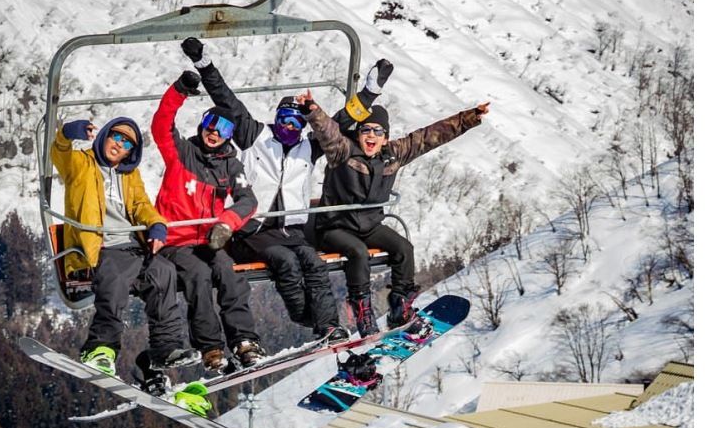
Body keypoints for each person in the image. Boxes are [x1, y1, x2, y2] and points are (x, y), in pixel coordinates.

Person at [179, 39, 393, 344]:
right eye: (283, 120)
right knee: (286, 262)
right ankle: (307, 316)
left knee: (314, 263)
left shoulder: (309, 146)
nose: (288, 128)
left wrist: (370, 91)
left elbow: (342, 121)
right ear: (275, 119)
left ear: (302, 125)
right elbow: (226, 99)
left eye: (295, 123)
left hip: (292, 229)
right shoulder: (256, 136)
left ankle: (329, 325)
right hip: (253, 230)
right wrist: (203, 63)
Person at [297, 90, 490, 336]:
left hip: (369, 225)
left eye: (378, 132)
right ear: (358, 134)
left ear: (385, 138)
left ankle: (400, 304)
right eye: (366, 130)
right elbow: (328, 131)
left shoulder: (394, 155)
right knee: (357, 252)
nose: (371, 136)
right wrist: (312, 110)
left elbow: (430, 136)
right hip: (334, 226)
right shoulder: (343, 151)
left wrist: (469, 117)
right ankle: (361, 308)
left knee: (404, 248)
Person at [51, 117, 199, 386]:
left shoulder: (130, 175)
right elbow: (59, 154)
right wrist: (66, 134)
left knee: (163, 271)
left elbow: (141, 204)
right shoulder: (80, 164)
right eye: (116, 137)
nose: (119, 145)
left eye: (127, 143)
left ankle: (165, 347)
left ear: (132, 151)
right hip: (99, 245)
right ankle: (100, 347)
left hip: (132, 245)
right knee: (115, 277)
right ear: (105, 136)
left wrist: (155, 224)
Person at [151, 67, 266, 372]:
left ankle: (244, 340)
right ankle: (210, 346)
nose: (214, 133)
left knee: (228, 271)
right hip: (176, 240)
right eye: (210, 124)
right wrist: (179, 90)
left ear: (231, 136)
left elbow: (247, 200)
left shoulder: (231, 166)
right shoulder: (182, 153)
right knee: (198, 276)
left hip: (208, 238)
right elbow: (161, 125)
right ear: (202, 125)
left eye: (224, 129)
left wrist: (227, 222)